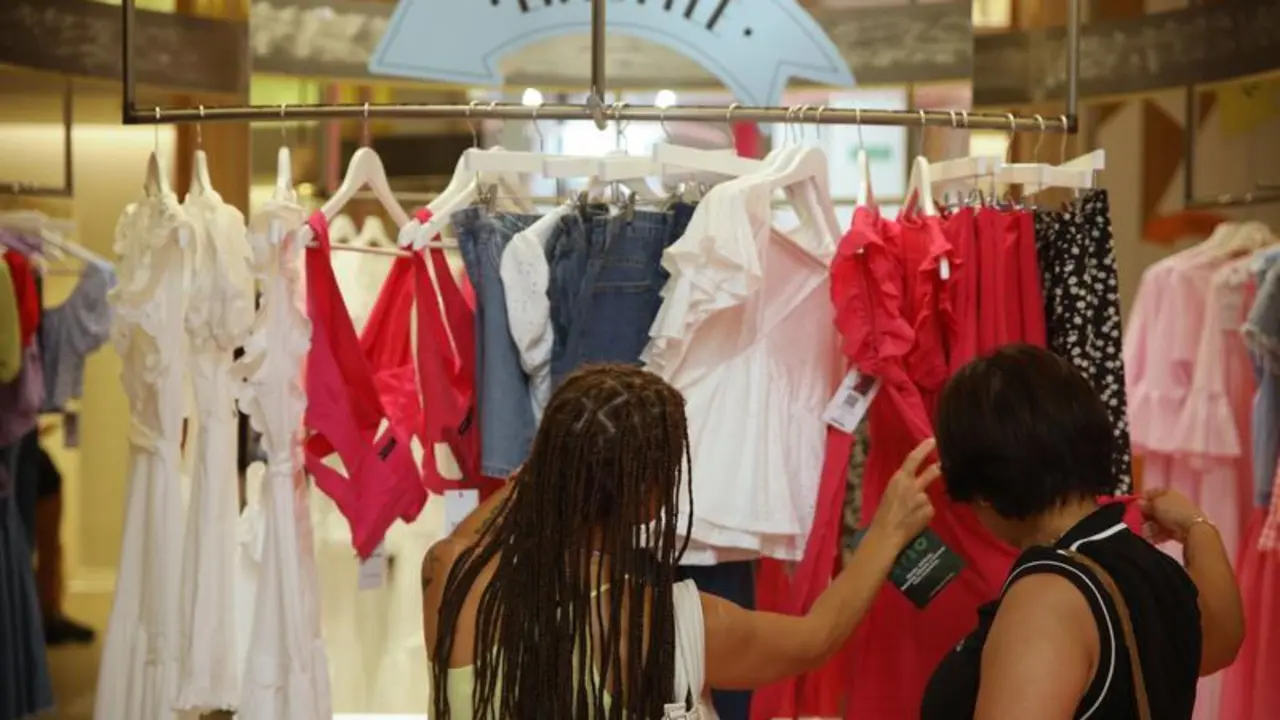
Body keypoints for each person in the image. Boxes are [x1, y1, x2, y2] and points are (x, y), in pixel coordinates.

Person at [421, 364, 939, 720]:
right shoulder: (674, 624)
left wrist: (560, 460)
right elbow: (816, 637)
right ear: (650, 498)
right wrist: (888, 531)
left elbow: (486, 527)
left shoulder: (452, 576)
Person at [921, 345, 1245, 719]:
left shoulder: (1048, 596)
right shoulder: (1150, 566)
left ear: (981, 489)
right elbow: (1221, 643)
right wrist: (1196, 528)